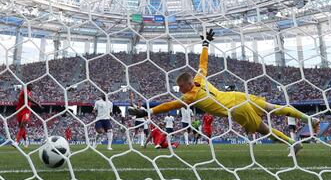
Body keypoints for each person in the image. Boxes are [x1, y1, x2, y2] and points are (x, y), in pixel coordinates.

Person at [129, 29, 320, 156]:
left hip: (236, 109)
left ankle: (292, 143)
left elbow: (169, 105)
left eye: (180, 87)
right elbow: (203, 63)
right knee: (274, 108)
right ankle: (309, 119)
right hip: (237, 96)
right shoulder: (199, 78)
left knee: (265, 130)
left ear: (186, 86)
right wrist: (205, 44)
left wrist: (148, 112)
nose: (179, 91)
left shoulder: (190, 96)